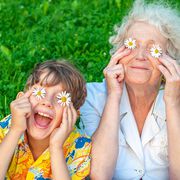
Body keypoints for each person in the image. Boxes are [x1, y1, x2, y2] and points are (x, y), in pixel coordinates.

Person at [80, 0, 180, 179]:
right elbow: (98, 175)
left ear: (170, 59)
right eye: (131, 45)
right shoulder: (92, 97)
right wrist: (113, 96)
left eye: (153, 49)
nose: (140, 56)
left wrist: (172, 104)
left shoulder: (175, 98)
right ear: (118, 53)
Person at [0, 60, 91, 179]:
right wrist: (15, 130)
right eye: (39, 92)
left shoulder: (79, 148)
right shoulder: (8, 127)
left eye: (61, 98)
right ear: (21, 99)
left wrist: (56, 147)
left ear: (73, 116)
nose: (47, 102)